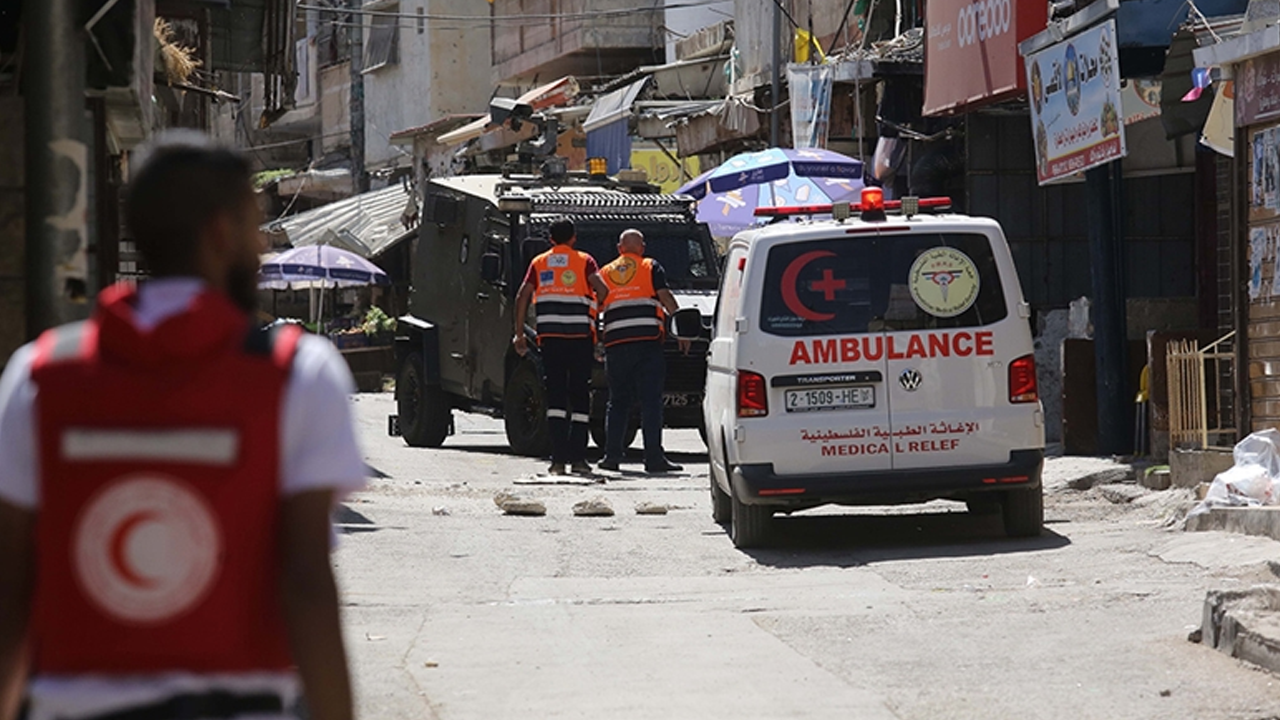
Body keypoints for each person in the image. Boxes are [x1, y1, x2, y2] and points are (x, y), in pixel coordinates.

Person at [0, 133, 366, 720]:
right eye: (255, 226)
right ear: (221, 233)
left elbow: (12, 584)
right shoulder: (296, 373)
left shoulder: (37, 376)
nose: (260, 247)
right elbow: (304, 579)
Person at [512, 219, 609, 476]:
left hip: (551, 339)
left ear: (551, 239)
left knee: (555, 397)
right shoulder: (585, 261)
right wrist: (596, 314)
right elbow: (603, 289)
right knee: (579, 396)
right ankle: (578, 459)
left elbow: (522, 295)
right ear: (573, 238)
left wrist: (519, 333)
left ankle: (557, 461)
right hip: (579, 339)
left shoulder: (538, 262)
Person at [596, 229, 686, 474]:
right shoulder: (650, 266)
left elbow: (597, 306)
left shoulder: (605, 272)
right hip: (647, 343)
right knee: (651, 403)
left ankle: (611, 457)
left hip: (616, 345)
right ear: (642, 247)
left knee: (617, 402)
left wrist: (596, 341)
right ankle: (654, 459)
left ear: (619, 248)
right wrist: (682, 330)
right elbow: (666, 298)